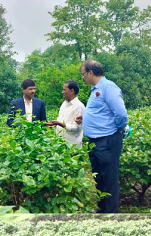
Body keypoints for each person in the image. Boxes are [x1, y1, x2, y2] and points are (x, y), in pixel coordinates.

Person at [79, 60, 129, 214]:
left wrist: (118, 130)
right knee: (99, 178)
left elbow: (121, 114)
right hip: (96, 141)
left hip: (107, 140)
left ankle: (111, 214)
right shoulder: (95, 90)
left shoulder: (108, 87)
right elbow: (102, 112)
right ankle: (102, 210)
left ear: (90, 73)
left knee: (109, 180)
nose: (82, 78)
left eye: (83, 74)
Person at [46, 81, 84, 147]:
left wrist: (60, 124)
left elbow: (77, 128)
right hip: (60, 143)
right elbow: (60, 119)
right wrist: (54, 125)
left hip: (72, 146)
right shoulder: (64, 103)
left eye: (64, 89)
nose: (62, 92)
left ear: (72, 91)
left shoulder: (79, 106)